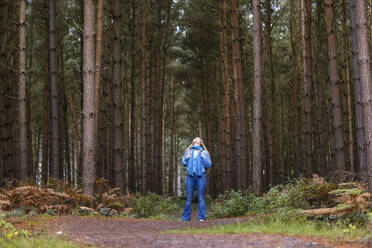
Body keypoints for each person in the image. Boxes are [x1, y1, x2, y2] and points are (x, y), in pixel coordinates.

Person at [181, 137, 211, 221]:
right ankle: (186, 218)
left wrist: (202, 157)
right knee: (188, 199)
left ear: (200, 143)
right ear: (193, 142)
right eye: (195, 139)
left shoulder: (204, 153)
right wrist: (187, 157)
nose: (196, 139)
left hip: (201, 177)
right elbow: (184, 163)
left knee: (201, 198)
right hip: (190, 177)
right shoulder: (188, 152)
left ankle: (201, 217)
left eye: (198, 139)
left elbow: (208, 165)